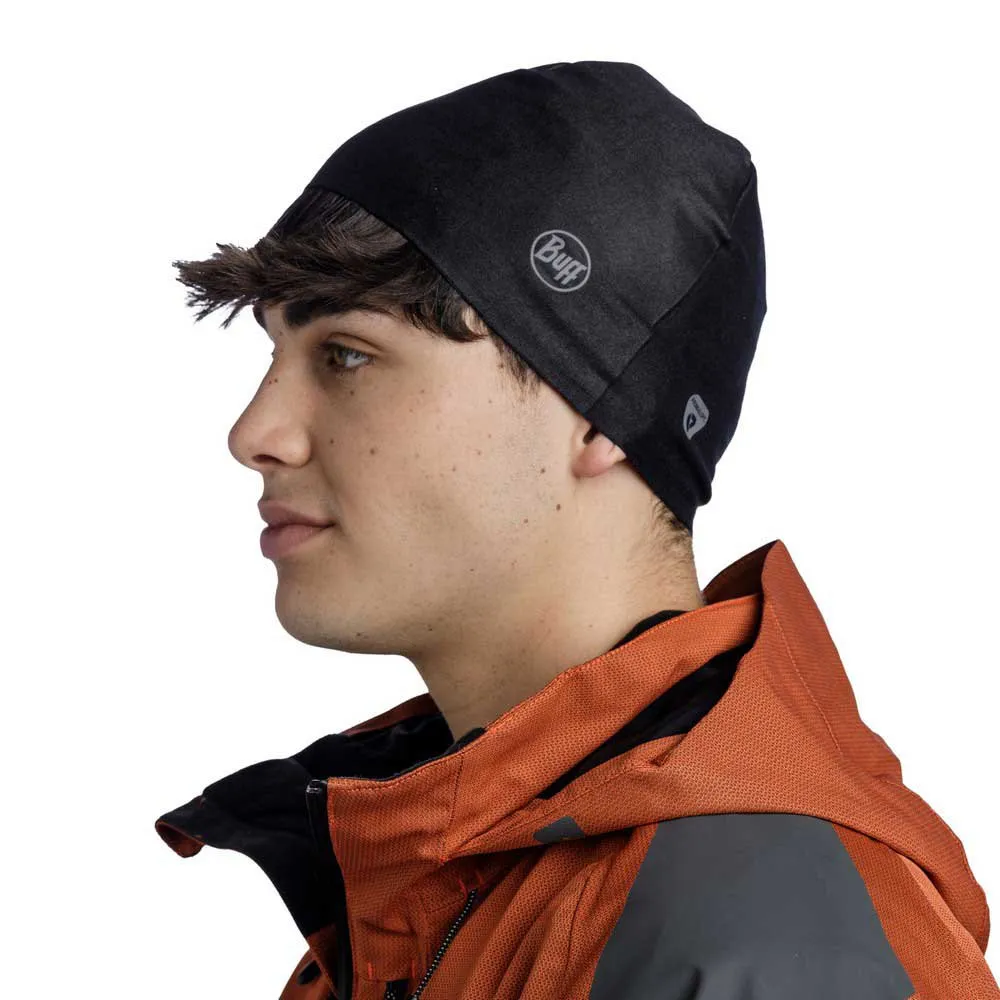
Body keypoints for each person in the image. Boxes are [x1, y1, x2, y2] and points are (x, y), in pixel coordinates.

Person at [154, 61, 999, 999]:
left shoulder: (762, 939)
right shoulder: (450, 877)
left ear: (602, 411)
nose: (255, 433)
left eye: (346, 355)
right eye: (276, 353)